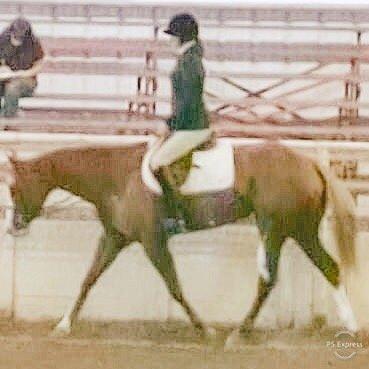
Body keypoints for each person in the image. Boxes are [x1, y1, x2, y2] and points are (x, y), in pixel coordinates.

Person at [151, 13, 213, 234]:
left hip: (193, 127)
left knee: (158, 163)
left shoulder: (189, 62)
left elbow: (189, 101)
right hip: (188, 123)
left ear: (181, 37)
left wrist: (170, 124)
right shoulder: (189, 58)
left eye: (172, 36)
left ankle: (176, 218)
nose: (170, 40)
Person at [0, 18, 44, 117]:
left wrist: (24, 73)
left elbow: (38, 65)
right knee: (7, 85)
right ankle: (6, 113)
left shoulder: (33, 44)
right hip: (5, 77)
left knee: (12, 87)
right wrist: (3, 68)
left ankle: (9, 118)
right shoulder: (3, 40)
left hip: (26, 80)